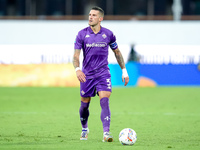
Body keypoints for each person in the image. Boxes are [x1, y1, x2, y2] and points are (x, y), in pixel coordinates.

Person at [73, 6, 129, 142]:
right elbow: (76, 56)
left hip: (103, 74)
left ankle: (106, 133)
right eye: (89, 15)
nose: (90, 17)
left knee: (104, 101)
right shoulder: (82, 34)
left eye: (93, 15)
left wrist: (124, 71)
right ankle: (85, 128)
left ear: (100, 19)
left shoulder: (108, 34)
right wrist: (77, 69)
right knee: (84, 105)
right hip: (86, 75)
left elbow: (117, 52)